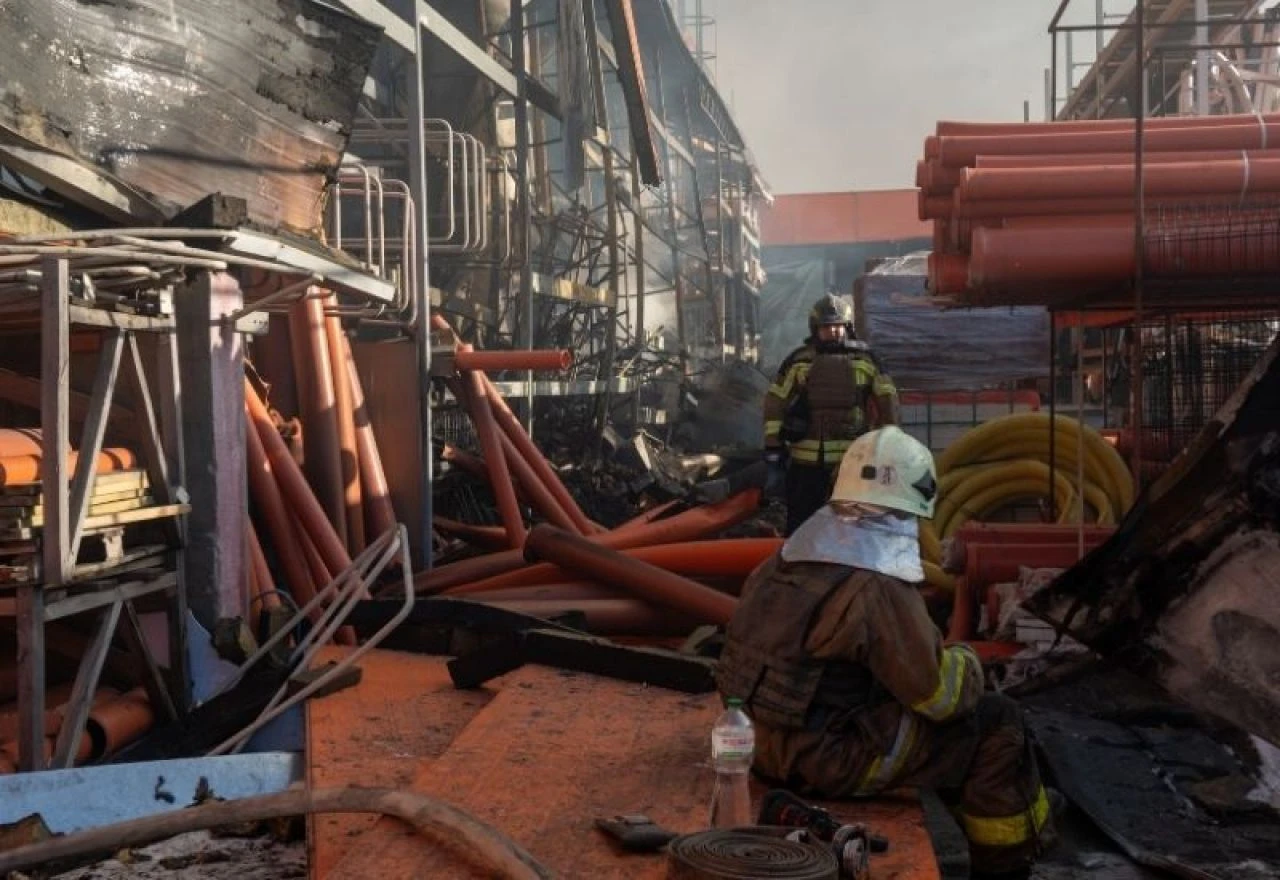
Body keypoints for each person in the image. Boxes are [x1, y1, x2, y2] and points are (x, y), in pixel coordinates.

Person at [716, 427, 1056, 878]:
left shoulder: (785, 558)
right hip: (827, 761)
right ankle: (1008, 861)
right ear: (914, 502)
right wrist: (969, 662)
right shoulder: (875, 583)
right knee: (997, 723)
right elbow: (938, 697)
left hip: (760, 748)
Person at [763, 293, 899, 535]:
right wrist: (773, 450)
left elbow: (888, 401)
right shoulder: (798, 361)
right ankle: (800, 568)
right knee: (802, 524)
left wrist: (888, 446)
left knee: (850, 525)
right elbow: (775, 402)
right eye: (827, 327)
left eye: (838, 326)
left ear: (847, 327)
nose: (833, 332)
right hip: (805, 463)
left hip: (851, 461)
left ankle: (844, 568)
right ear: (815, 329)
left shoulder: (867, 360)